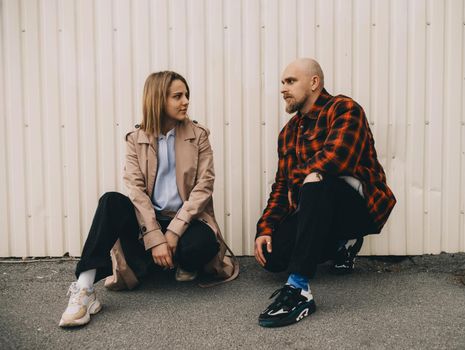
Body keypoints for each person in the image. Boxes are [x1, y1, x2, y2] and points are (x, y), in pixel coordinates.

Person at [59, 71, 238, 328]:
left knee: (200, 245)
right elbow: (136, 190)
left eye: (186, 95)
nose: (185, 101)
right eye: (177, 96)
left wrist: (174, 232)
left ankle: (179, 262)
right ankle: (85, 290)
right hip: (147, 225)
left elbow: (204, 186)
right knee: (110, 201)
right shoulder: (135, 139)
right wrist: (154, 237)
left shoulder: (198, 135)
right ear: (157, 100)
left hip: (187, 224)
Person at [254, 58, 396, 327]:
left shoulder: (344, 109)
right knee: (273, 257)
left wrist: (298, 182)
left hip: (359, 208)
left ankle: (299, 290)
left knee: (316, 178)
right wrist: (266, 228)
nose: (283, 88)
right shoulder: (288, 133)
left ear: (314, 82)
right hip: (318, 207)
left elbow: (335, 159)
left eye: (291, 81)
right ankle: (339, 247)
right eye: (282, 82)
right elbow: (282, 185)